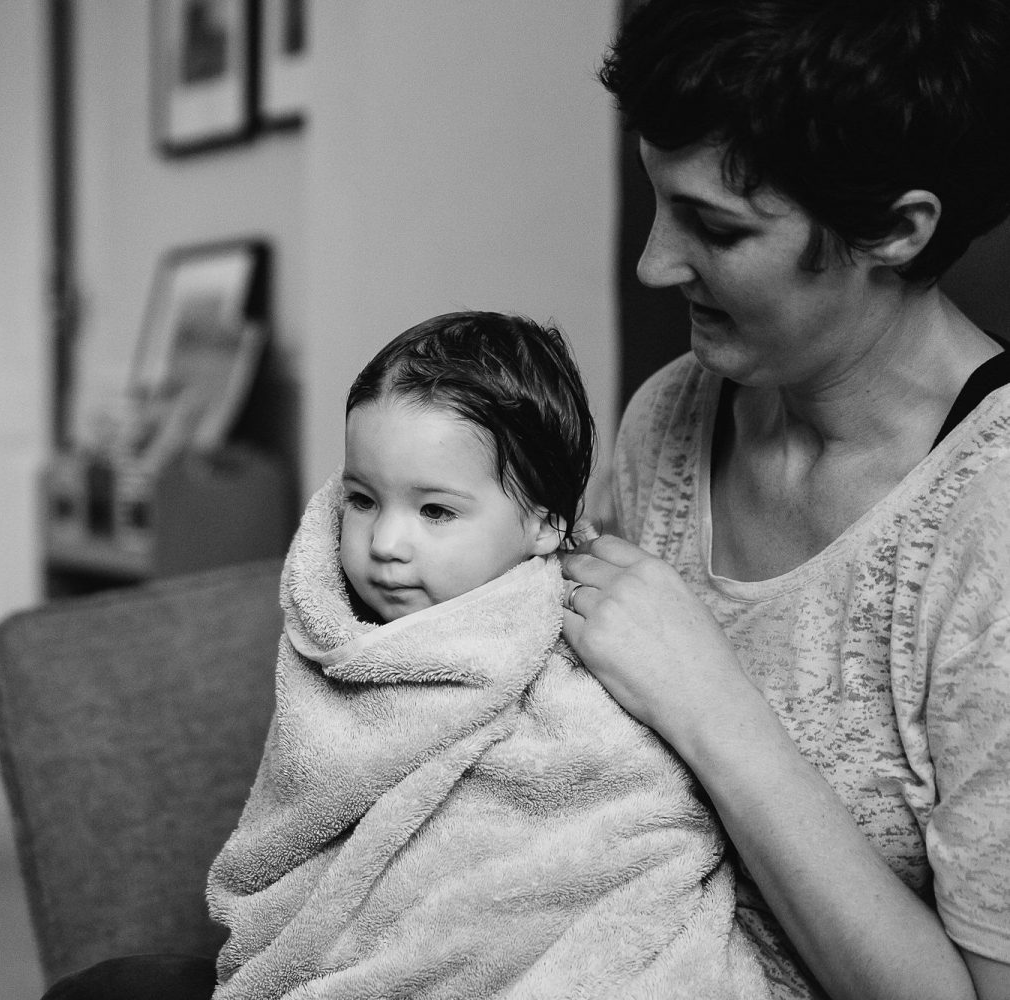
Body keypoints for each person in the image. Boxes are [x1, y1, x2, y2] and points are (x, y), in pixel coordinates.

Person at [562, 2, 1010, 999]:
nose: (654, 263)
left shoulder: (993, 521)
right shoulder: (671, 416)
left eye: (716, 227)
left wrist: (713, 705)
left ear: (895, 230)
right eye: (657, 201)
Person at [205, 311, 775, 998]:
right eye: (362, 499)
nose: (386, 542)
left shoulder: (582, 648)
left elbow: (636, 820)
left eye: (435, 512)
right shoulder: (335, 635)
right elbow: (295, 819)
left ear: (543, 524)